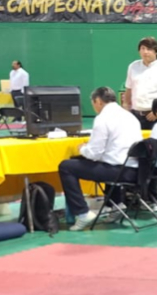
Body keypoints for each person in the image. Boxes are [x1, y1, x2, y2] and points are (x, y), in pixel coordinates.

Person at [58, 87, 144, 231]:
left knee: (66, 167)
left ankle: (82, 213)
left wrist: (82, 148)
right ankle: (116, 205)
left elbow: (94, 154)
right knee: (108, 159)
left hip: (118, 171)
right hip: (136, 170)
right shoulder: (130, 116)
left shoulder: (103, 119)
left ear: (98, 101)